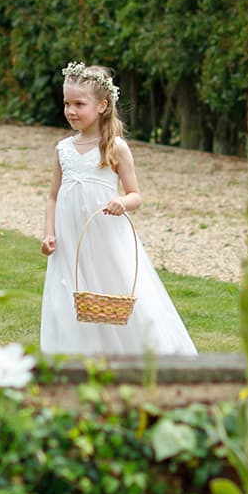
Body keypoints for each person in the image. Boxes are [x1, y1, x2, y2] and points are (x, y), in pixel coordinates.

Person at [39, 62, 197, 357]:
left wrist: (121, 202)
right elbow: (53, 196)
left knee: (116, 288)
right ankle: (75, 357)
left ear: (101, 105)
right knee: (70, 294)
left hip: (105, 238)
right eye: (66, 103)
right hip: (70, 240)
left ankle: (148, 352)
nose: (71, 111)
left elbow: (136, 195)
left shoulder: (114, 147)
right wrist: (49, 234)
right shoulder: (63, 150)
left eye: (79, 104)